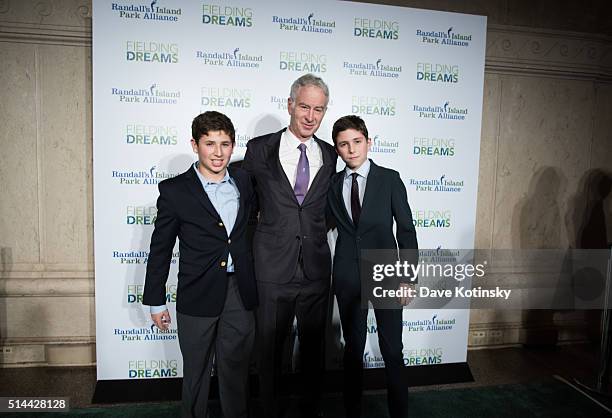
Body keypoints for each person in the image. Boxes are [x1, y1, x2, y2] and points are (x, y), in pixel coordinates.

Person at [143, 111, 258, 418]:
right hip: (197, 293)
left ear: (233, 146)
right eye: (210, 144)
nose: (218, 152)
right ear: (195, 145)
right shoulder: (175, 190)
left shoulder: (245, 182)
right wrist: (156, 300)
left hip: (240, 292)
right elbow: (160, 249)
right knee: (195, 374)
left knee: (235, 374)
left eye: (225, 144)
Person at [242, 74, 338, 418]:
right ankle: (270, 411)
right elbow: (246, 208)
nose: (311, 116)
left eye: (319, 109)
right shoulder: (259, 149)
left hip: (314, 269)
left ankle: (310, 411)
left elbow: (326, 209)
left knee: (314, 352)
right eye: (304, 107)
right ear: (290, 105)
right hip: (271, 268)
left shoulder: (330, 154)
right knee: (269, 352)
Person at [326, 115, 418, 418]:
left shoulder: (390, 179)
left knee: (392, 350)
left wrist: (407, 278)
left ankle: (399, 414)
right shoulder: (334, 183)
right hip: (347, 275)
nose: (351, 149)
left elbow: (406, 231)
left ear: (368, 142)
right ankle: (353, 412)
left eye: (356, 141)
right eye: (343, 144)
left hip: (385, 273)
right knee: (353, 350)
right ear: (337, 149)